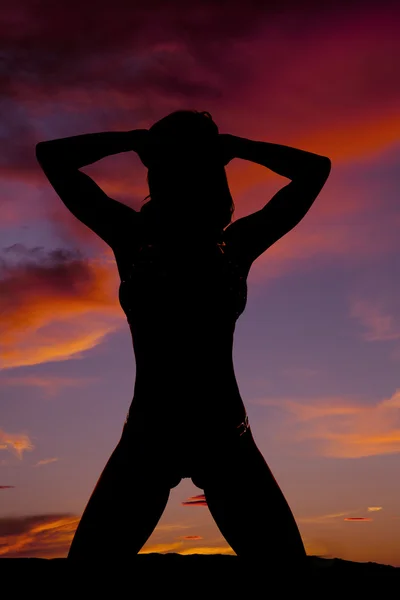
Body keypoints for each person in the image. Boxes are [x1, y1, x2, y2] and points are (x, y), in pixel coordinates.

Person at [36, 110, 331, 566]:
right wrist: (138, 139)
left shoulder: (231, 245)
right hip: (153, 436)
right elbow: (51, 157)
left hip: (221, 437)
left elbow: (316, 169)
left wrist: (231, 146)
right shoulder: (136, 238)